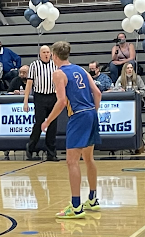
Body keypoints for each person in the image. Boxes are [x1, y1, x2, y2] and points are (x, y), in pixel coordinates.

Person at [41, 41, 101, 219]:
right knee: (89, 158)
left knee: (71, 162)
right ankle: (92, 199)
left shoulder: (58, 73)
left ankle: (76, 206)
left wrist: (47, 121)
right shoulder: (81, 70)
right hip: (91, 113)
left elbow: (61, 102)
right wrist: (93, 113)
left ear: (54, 55)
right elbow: (97, 93)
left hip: (79, 116)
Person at [23, 45, 59, 161]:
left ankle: (51, 153)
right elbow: (29, 84)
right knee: (39, 123)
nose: (46, 54)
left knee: (53, 125)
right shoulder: (34, 65)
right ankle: (31, 147)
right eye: (44, 52)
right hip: (40, 97)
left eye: (48, 52)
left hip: (53, 96)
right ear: (40, 54)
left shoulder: (56, 65)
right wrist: (25, 101)